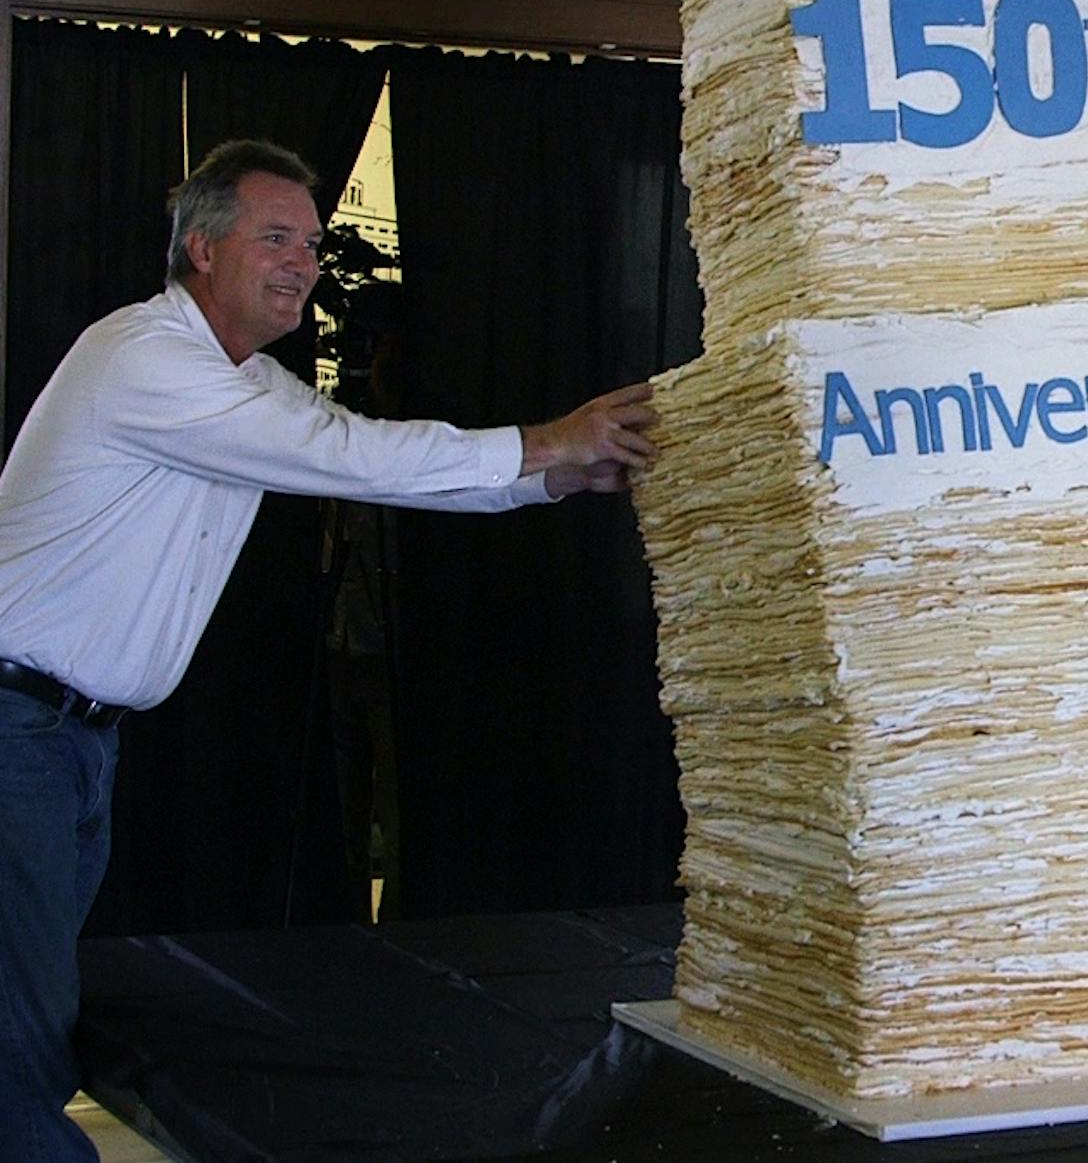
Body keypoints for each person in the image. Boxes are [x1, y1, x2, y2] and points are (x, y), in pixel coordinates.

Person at [0, 138, 656, 1163]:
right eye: (276, 238)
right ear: (202, 249)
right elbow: (346, 453)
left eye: (310, 243)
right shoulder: (145, 358)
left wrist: (556, 477)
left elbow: (369, 466)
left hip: (68, 743)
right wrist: (543, 440)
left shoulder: (245, 381)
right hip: (16, 731)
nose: (303, 262)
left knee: (24, 1009)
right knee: (15, 1029)